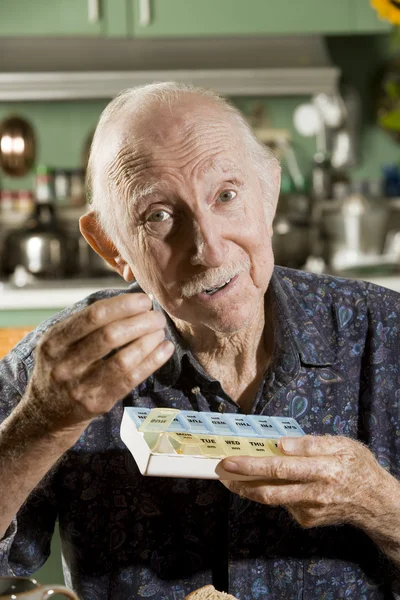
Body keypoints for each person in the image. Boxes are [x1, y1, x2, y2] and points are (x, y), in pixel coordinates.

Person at [0, 82, 399, 600]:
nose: (208, 249)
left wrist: (376, 499)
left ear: (269, 193)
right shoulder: (62, 368)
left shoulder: (385, 331)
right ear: (109, 244)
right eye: (159, 216)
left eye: (226, 195)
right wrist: (41, 424)